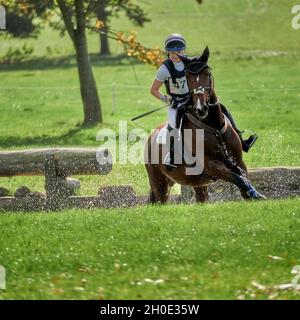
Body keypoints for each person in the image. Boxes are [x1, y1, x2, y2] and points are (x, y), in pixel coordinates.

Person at [150, 33, 257, 168]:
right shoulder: (165, 69)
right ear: (167, 52)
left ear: (184, 51)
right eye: (172, 52)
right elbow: (153, 90)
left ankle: (242, 141)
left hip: (193, 98)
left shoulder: (191, 63)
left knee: (223, 110)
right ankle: (171, 155)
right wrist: (167, 99)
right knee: (173, 123)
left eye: (179, 51)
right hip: (177, 102)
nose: (176, 54)